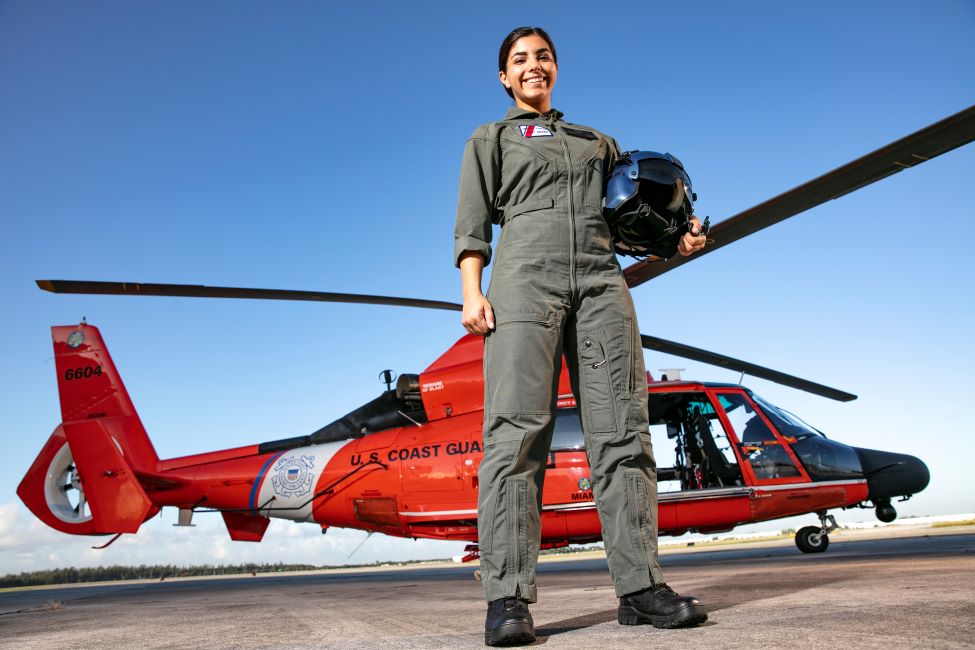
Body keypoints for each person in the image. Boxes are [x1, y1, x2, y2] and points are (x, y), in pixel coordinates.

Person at [454, 26, 709, 646]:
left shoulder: (597, 142)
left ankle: (641, 588)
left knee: (622, 430)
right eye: (520, 60)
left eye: (542, 56)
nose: (532, 66)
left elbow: (628, 223)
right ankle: (507, 600)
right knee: (515, 435)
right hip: (522, 282)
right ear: (504, 77)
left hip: (601, 281)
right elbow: (471, 225)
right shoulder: (491, 139)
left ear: (556, 68)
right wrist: (472, 292)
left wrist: (678, 240)